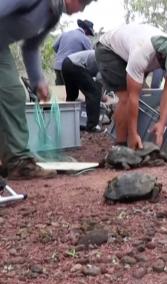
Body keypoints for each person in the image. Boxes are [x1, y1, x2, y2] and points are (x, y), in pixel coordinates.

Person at [0, 0, 97, 180]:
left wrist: (38, 81)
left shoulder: (52, 15)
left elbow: (31, 47)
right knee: (11, 94)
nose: (81, 10)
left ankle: (16, 162)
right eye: (82, 3)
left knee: (11, 95)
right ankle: (16, 161)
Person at [95, 23, 167, 149]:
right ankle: (121, 147)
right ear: (163, 55)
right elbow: (132, 97)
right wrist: (133, 134)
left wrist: (162, 124)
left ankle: (137, 139)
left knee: (143, 95)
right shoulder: (142, 52)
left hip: (130, 49)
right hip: (109, 49)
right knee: (125, 98)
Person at [61, 50, 103, 133]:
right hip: (75, 65)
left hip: (66, 63)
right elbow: (98, 82)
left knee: (72, 96)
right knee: (94, 93)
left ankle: (67, 122)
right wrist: (102, 96)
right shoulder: (105, 61)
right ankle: (92, 126)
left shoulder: (100, 55)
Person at [53, 19, 94, 85]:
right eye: (89, 33)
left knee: (59, 90)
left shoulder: (64, 34)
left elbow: (54, 47)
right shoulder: (85, 39)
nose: (88, 35)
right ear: (86, 30)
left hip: (57, 66)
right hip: (70, 68)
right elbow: (90, 57)